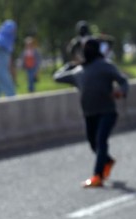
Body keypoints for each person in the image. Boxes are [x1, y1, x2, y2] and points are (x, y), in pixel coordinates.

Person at [53, 39, 129, 188]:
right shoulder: (79, 71)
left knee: (101, 141)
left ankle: (97, 176)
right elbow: (57, 77)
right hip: (89, 114)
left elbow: (123, 81)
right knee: (93, 144)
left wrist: (122, 91)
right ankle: (107, 161)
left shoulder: (105, 66)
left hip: (107, 112)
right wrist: (71, 64)